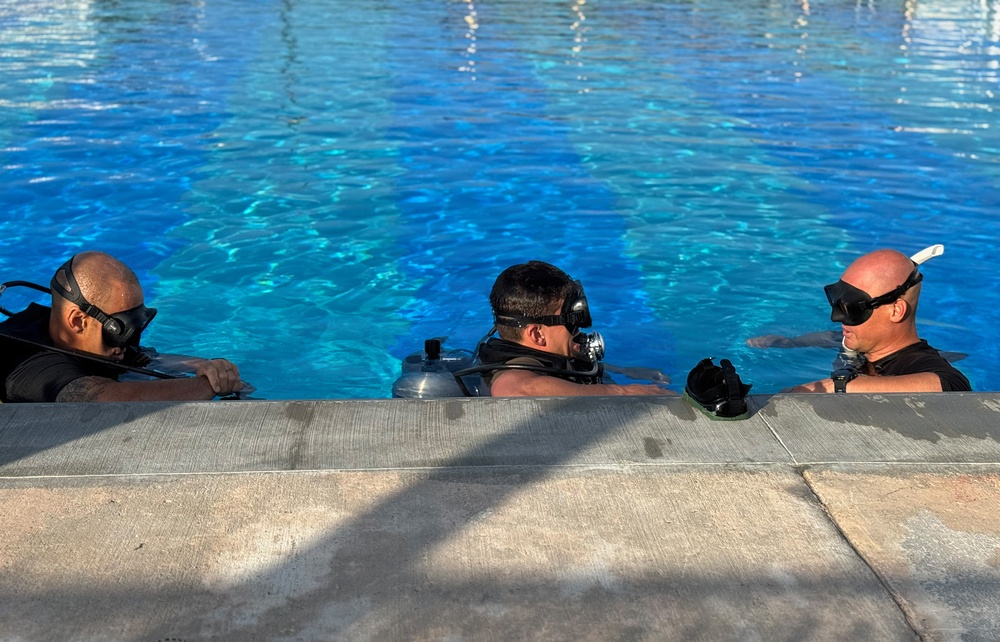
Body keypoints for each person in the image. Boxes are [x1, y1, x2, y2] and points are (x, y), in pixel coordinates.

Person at [0, 251, 245, 403]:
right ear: (76, 321)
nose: (127, 345)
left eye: (136, 324)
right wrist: (207, 385)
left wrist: (205, 366)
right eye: (120, 330)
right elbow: (104, 398)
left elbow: (142, 360)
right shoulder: (30, 364)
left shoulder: (89, 337)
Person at [780, 248, 970, 393]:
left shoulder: (915, 363)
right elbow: (831, 337)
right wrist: (785, 342)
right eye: (838, 303)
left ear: (896, 310)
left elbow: (954, 385)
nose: (838, 317)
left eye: (852, 307)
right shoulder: (857, 341)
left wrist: (839, 386)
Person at [477, 261, 673, 397]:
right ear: (537, 334)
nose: (579, 329)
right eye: (572, 321)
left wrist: (625, 371)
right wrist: (625, 392)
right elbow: (512, 389)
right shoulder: (517, 368)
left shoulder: (548, 357)